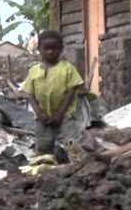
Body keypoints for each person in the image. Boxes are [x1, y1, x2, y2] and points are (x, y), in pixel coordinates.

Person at [22, 29, 85, 159]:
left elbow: (71, 92)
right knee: (43, 149)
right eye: (46, 48)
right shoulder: (33, 71)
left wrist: (60, 114)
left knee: (72, 146)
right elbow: (30, 94)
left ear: (61, 49)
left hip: (65, 118)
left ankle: (78, 166)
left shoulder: (67, 68)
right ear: (39, 49)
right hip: (42, 120)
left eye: (54, 48)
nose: (50, 52)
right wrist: (39, 114)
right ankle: (45, 168)